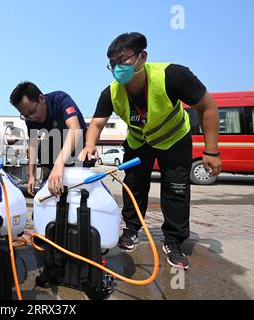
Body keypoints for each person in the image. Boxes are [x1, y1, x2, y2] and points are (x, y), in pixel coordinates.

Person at [78, 32, 221, 270]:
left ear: (142, 57)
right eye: (112, 64)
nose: (117, 68)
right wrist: (90, 144)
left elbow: (208, 106)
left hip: (174, 140)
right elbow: (97, 123)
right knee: (134, 185)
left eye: (123, 60)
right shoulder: (112, 92)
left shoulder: (173, 76)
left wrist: (211, 151)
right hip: (138, 142)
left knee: (176, 189)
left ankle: (174, 241)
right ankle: (131, 230)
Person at [10, 82, 88, 197]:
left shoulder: (61, 100)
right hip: (55, 146)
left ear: (41, 98)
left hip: (77, 145)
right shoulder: (30, 119)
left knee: (76, 190)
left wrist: (59, 164)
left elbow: (75, 130)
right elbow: (32, 146)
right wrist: (31, 176)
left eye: (32, 112)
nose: (31, 117)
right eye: (25, 115)